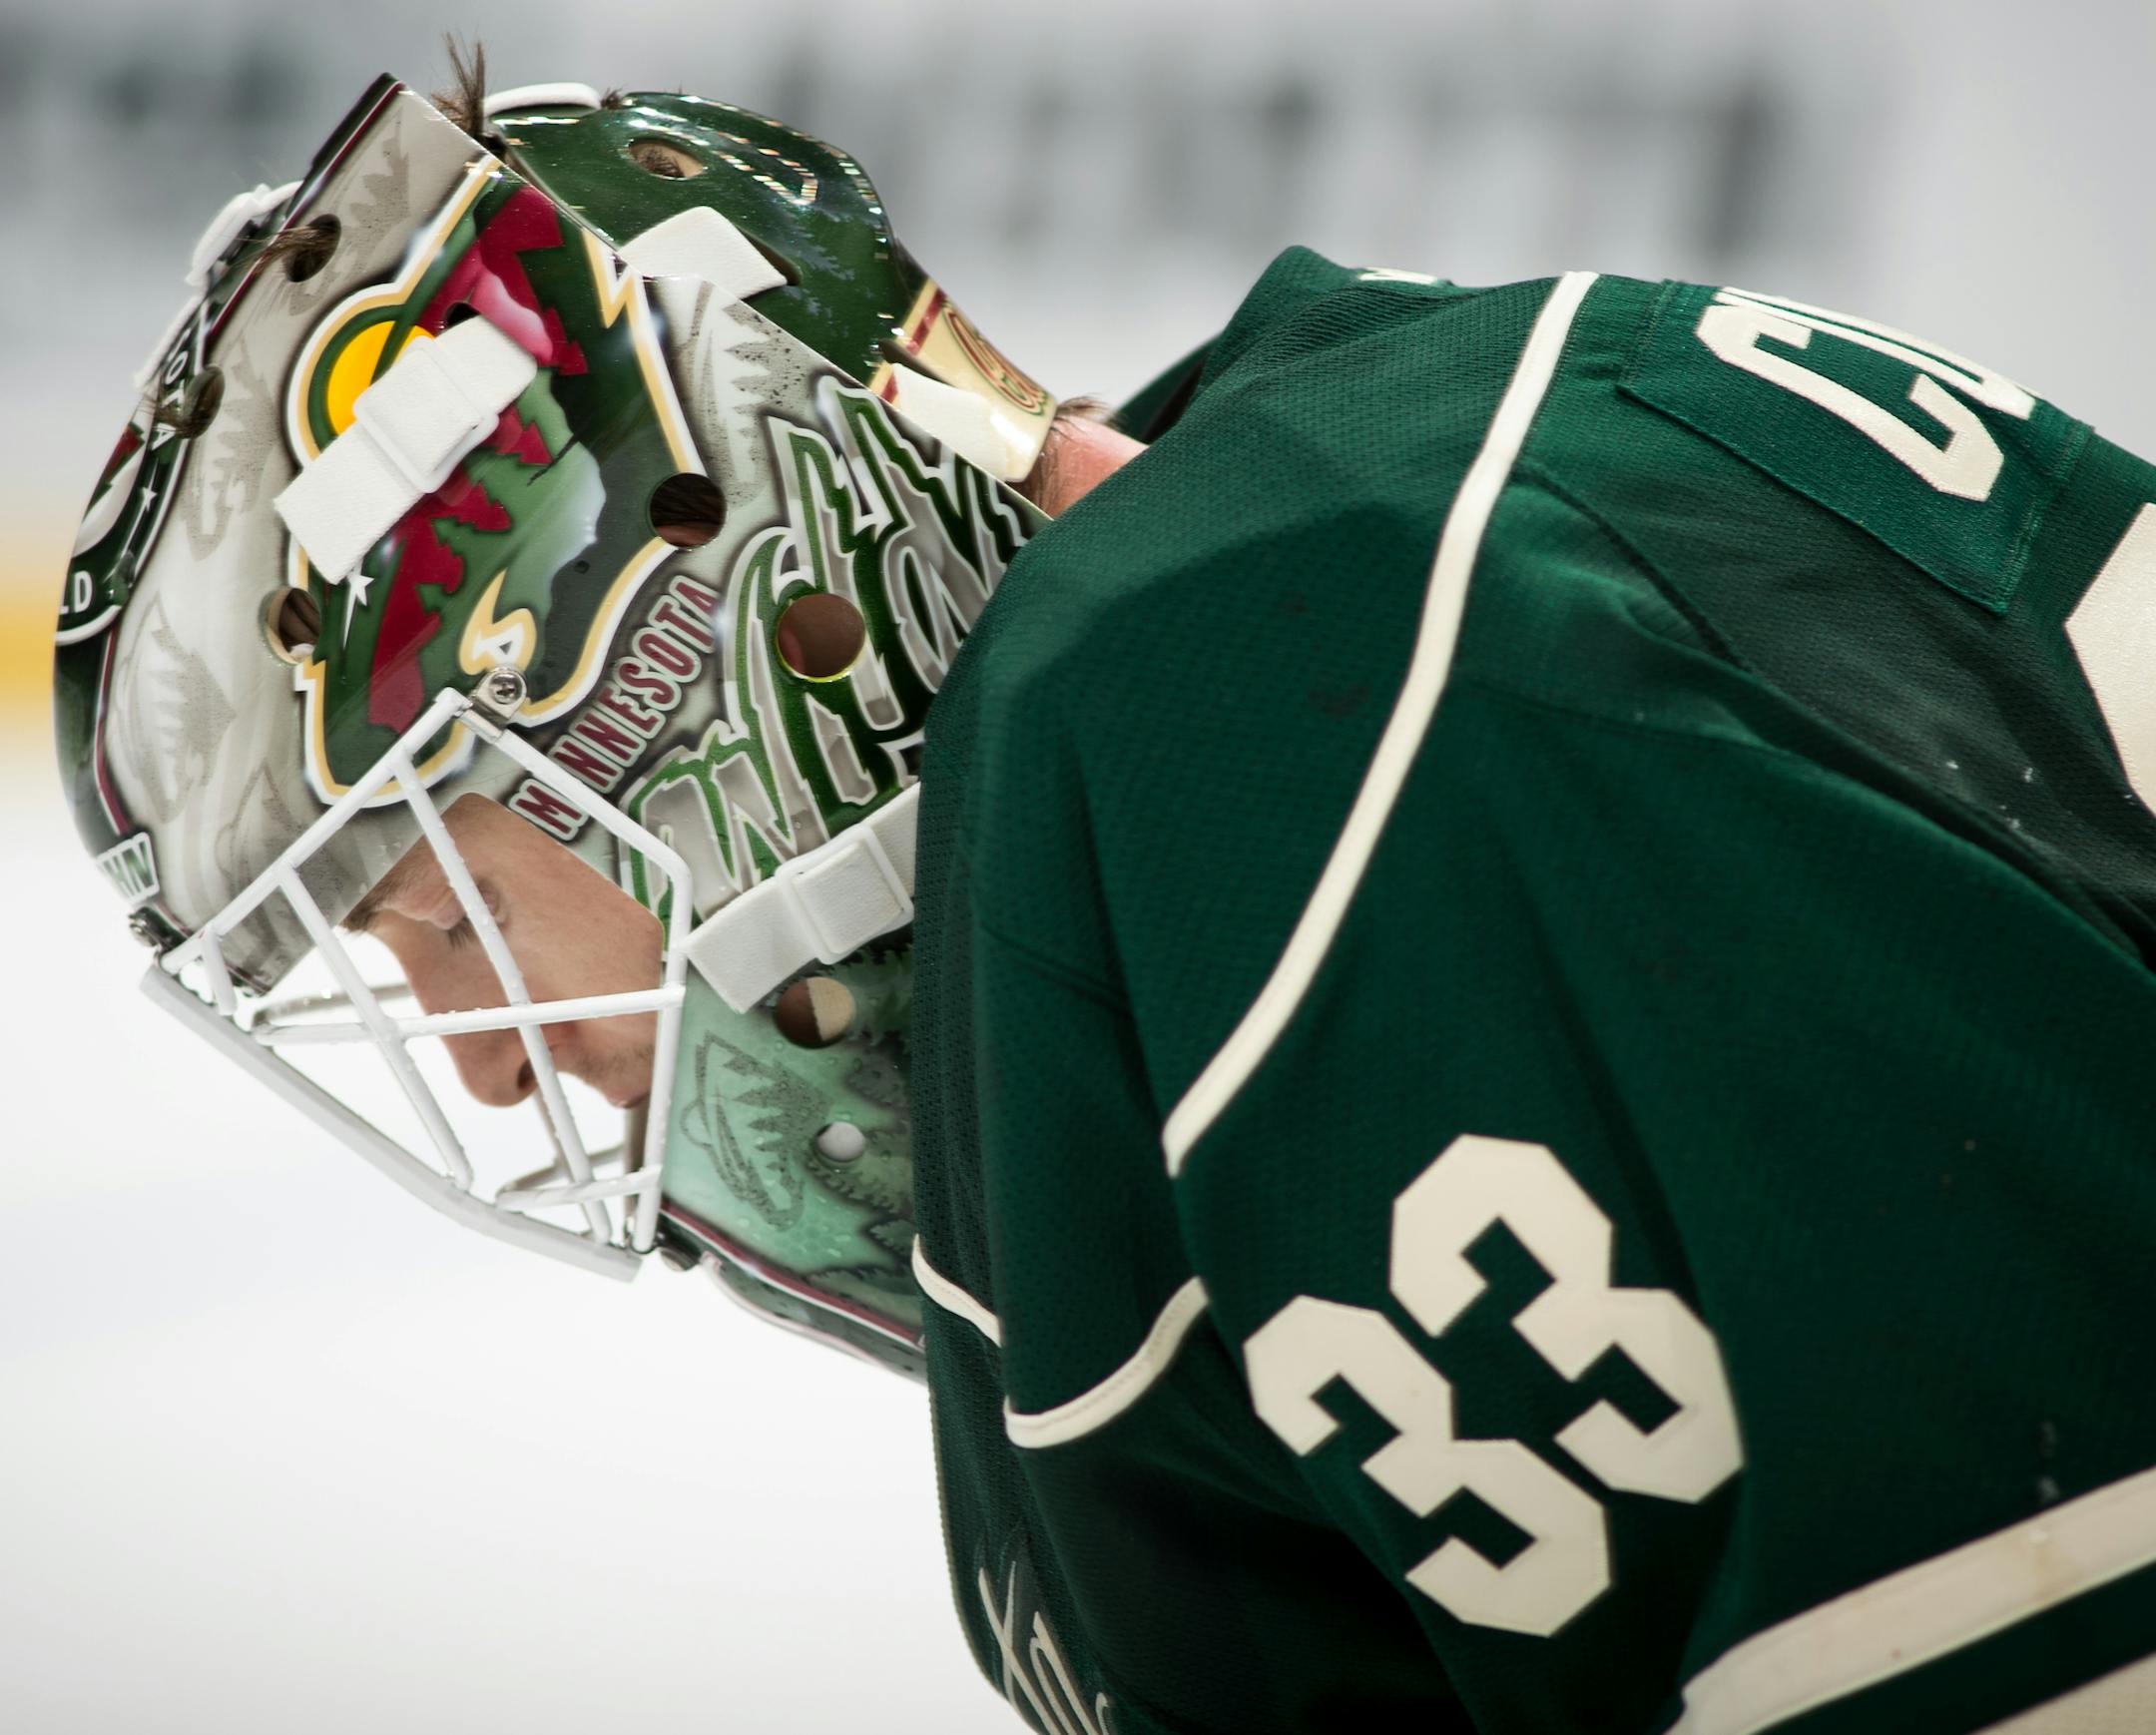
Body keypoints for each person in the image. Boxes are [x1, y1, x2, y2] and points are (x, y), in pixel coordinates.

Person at [54, 55, 2156, 1735]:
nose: (502, 1080)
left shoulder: (1283, 746)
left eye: (447, 920)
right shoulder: (1381, 472)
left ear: (724, 632)